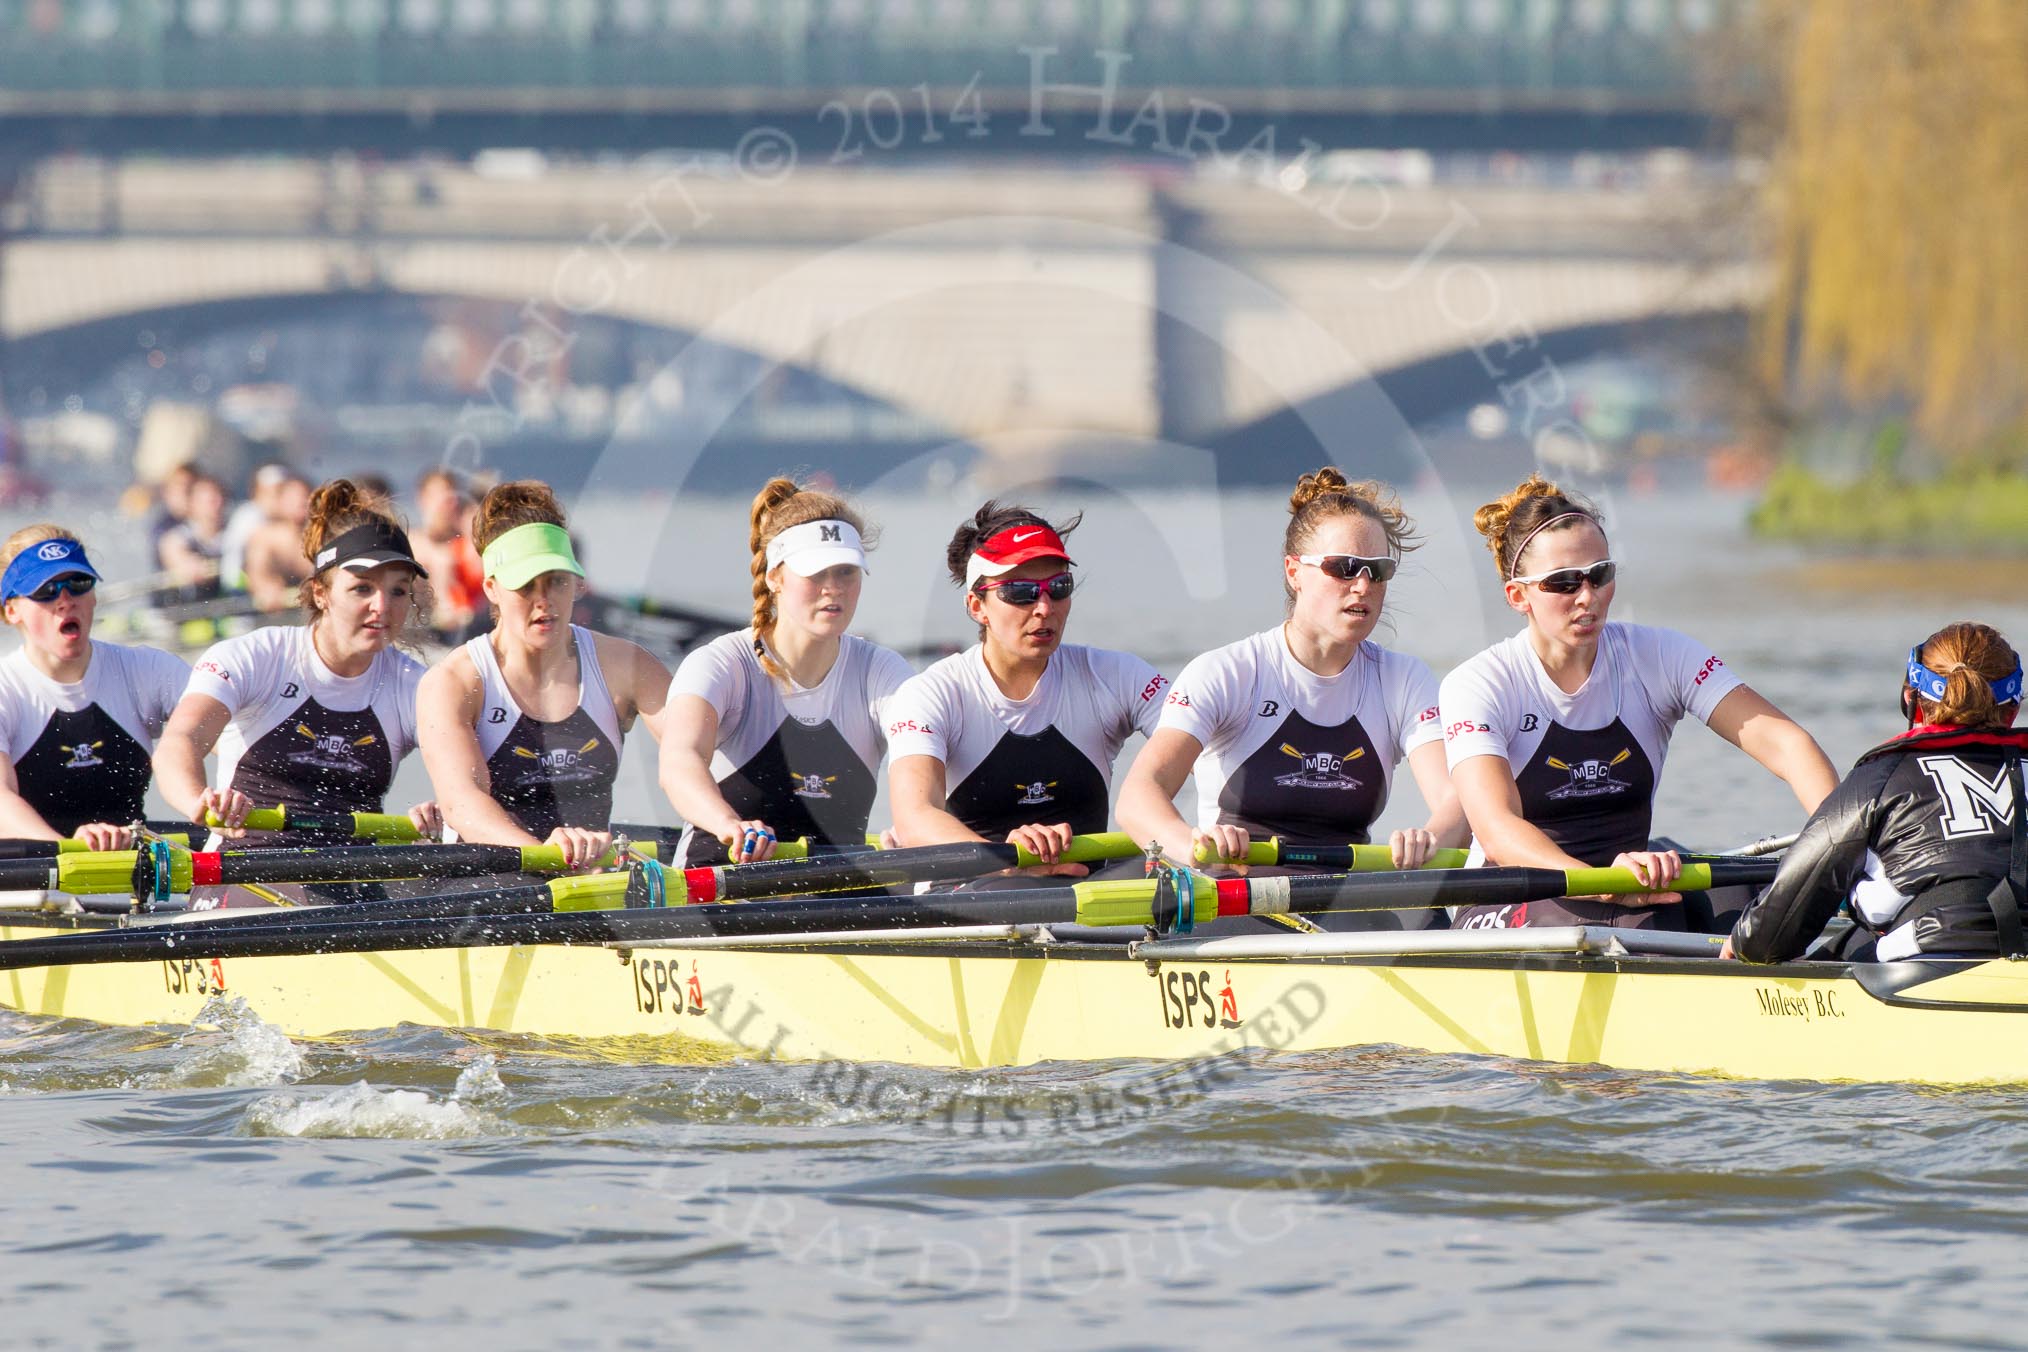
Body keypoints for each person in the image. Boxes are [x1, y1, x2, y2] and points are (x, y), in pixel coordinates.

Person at [1440, 474, 1837, 930]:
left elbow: (1789, 746)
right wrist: (1602, 883)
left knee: (1752, 906)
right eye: (1564, 583)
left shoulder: (1659, 656)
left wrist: (1842, 846)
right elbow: (1496, 829)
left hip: (1631, 881)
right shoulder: (1479, 684)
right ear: (1518, 596)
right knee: (1643, 924)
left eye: (1599, 575)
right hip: (1514, 893)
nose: (1587, 597)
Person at [1117, 469, 1466, 921]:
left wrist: (1430, 838)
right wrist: (1193, 846)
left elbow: (1457, 800)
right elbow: (1138, 795)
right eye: (1343, 568)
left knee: (1428, 919)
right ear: (1294, 571)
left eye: (1378, 571)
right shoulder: (1229, 672)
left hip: (1344, 898)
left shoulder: (1403, 679)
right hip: (1236, 897)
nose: (1363, 586)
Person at [885, 502, 1167, 878]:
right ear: (976, 605)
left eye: (1058, 587)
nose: (1044, 607)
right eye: (1021, 591)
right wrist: (1010, 865)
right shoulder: (931, 695)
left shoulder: (1117, 676)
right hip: (972, 895)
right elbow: (915, 817)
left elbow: (1210, 750)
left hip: (1091, 895)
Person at [153, 479, 440, 844]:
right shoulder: (256, 658)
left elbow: (467, 787)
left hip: (356, 880)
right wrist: (202, 802)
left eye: (398, 590)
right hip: (245, 868)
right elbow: (178, 744)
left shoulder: (416, 685)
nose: (382, 607)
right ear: (321, 593)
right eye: (362, 588)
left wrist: (440, 811)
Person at [1729, 623, 2028, 963]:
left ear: (1911, 700)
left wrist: (1744, 942)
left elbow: (1768, 937)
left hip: (1931, 965)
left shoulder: (1878, 779)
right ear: (2013, 709)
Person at [416, 480, 671, 868]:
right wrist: (549, 858)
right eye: (525, 586)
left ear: (578, 583)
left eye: (557, 581)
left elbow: (697, 754)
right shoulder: (454, 682)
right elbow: (462, 803)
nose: (544, 601)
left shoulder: (626, 666)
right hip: (488, 878)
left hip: (590, 875)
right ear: (492, 588)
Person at [660, 477, 913, 867]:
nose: (834, 589)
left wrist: (916, 820)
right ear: (775, 576)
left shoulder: (882, 671)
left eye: (846, 571)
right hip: (721, 884)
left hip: (837, 894)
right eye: (816, 574)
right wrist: (729, 824)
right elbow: (679, 761)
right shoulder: (721, 664)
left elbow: (926, 757)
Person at [0, 527, 189, 849]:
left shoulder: (146, 670)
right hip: (35, 878)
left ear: (94, 596)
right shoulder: (7, 689)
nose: (65, 601)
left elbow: (235, 736)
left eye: (77, 584)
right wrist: (71, 851)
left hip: (132, 869)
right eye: (45, 590)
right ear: (11, 609)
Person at [410, 468, 485, 640]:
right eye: (442, 495)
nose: (450, 503)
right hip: (428, 633)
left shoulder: (470, 548)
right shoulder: (412, 545)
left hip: (470, 630)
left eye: (453, 496)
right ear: (423, 499)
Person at [241, 471, 313, 613]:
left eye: (305, 497)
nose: (300, 502)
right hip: (277, 613)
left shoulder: (323, 535)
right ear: (280, 502)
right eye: (292, 498)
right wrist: (264, 586)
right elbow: (256, 572)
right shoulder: (264, 537)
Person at [157, 471, 228, 601]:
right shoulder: (179, 536)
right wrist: (188, 564)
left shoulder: (233, 534)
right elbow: (171, 549)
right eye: (209, 501)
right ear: (193, 504)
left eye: (219, 498)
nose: (216, 505)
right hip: (190, 610)